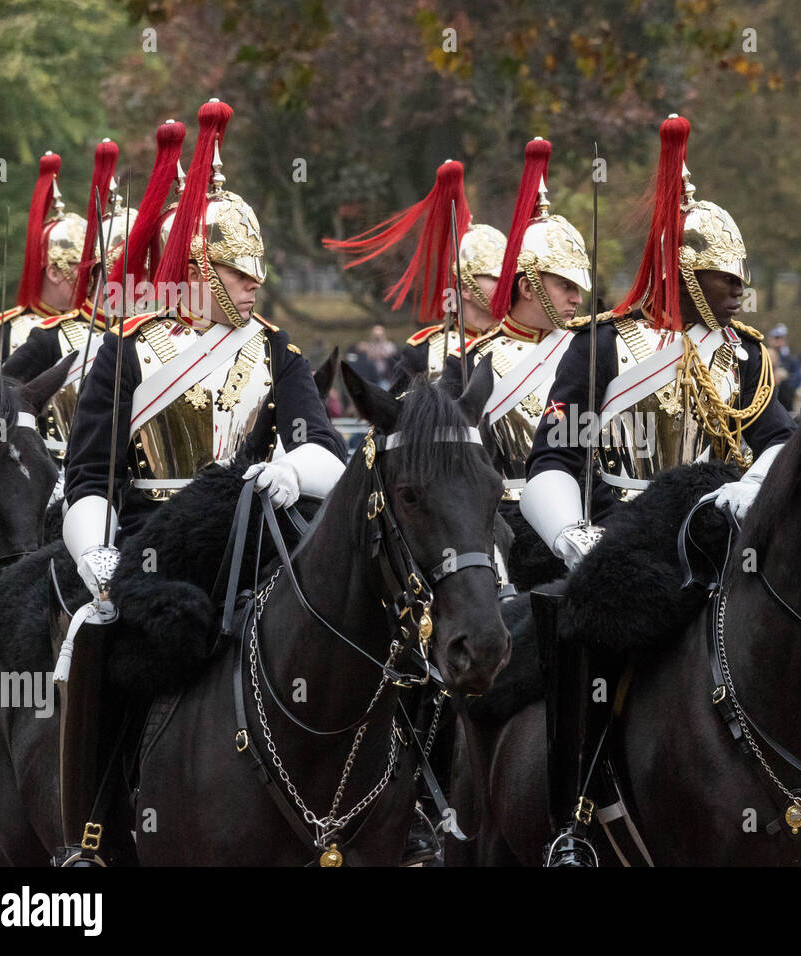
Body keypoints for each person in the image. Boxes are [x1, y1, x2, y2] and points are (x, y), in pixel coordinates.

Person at [56, 100, 346, 865]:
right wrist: (95, 553)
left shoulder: (274, 351)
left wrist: (288, 468)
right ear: (198, 268)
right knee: (95, 637)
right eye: (239, 273)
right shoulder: (129, 351)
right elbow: (88, 472)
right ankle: (90, 827)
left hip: (253, 535)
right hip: (151, 544)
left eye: (256, 274)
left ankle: (394, 803)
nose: (254, 288)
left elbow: (324, 449)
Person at [519, 114, 794, 866]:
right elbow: (552, 461)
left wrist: (751, 491)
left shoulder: (749, 360)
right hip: (627, 535)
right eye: (723, 277)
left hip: (722, 534)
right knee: (587, 629)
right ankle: (576, 810)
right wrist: (576, 539)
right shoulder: (605, 345)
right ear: (685, 270)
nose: (740, 289)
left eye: (742, 276)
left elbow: (781, 446)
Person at [4, 124, 187, 460]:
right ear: (105, 270)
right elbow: (0, 405)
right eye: (137, 271)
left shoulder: (157, 337)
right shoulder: (48, 339)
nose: (144, 283)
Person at [444, 137, 591, 512]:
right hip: (506, 516)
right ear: (527, 286)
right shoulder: (469, 361)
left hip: (588, 509)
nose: (577, 298)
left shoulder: (593, 348)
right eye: (566, 286)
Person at [324, 161, 506, 395]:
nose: (505, 285)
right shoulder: (423, 352)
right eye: (494, 277)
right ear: (465, 286)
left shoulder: (531, 345)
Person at [0, 153, 86, 375]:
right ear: (54, 272)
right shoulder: (0, 335)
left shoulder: (96, 328)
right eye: (82, 265)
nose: (92, 275)